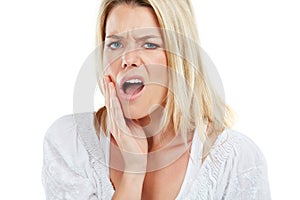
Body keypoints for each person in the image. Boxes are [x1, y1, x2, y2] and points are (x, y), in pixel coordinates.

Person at [42, 0, 271, 199]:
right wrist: (133, 172)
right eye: (115, 44)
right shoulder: (70, 143)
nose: (127, 59)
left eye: (149, 44)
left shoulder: (236, 162)